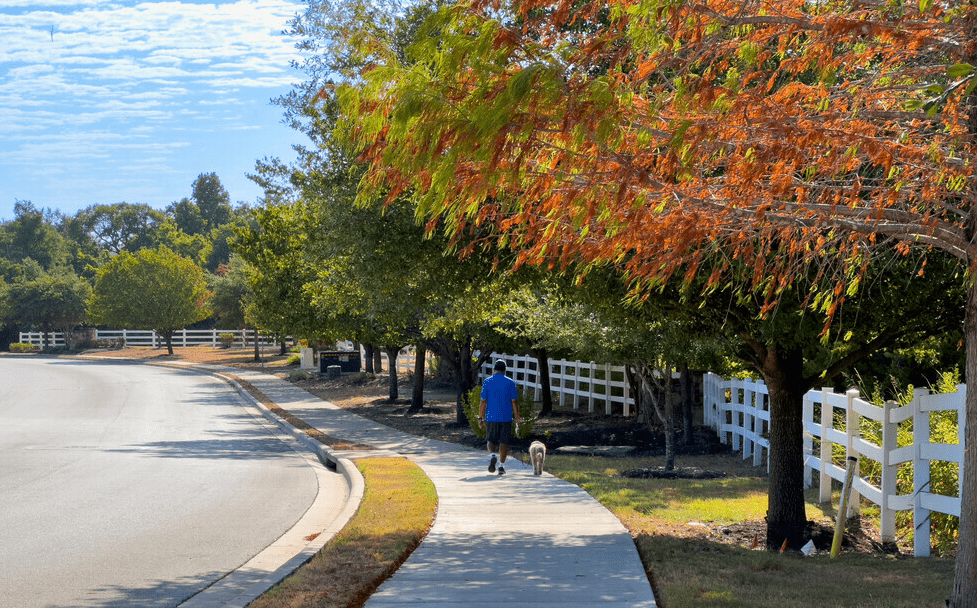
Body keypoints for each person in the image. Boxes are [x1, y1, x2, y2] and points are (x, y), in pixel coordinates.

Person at [478, 359, 520, 475]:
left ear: (494, 369)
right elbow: (514, 402)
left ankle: (492, 455)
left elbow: (483, 402)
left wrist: (480, 418)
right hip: (506, 417)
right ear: (505, 370)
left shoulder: (487, 382)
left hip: (491, 416)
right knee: (503, 441)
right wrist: (517, 417)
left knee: (490, 440)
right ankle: (501, 466)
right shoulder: (510, 382)